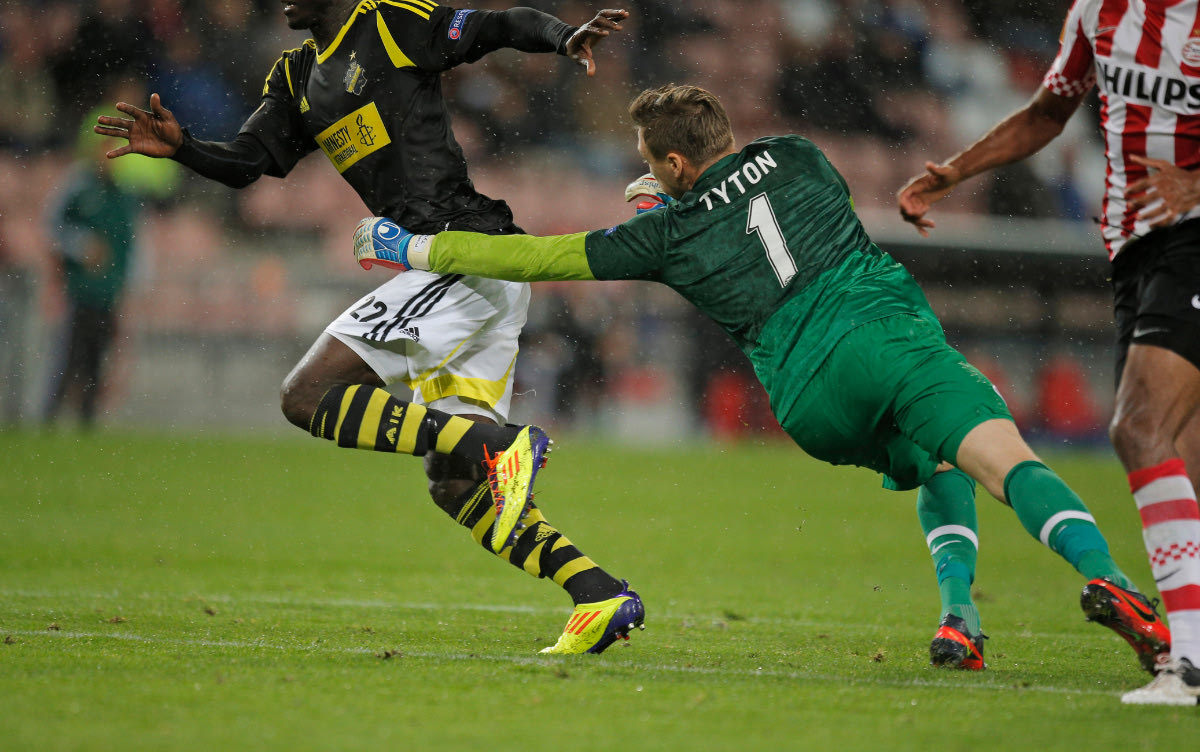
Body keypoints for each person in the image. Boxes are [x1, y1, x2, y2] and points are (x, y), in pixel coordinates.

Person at [354, 83, 1170, 679]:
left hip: (807, 398)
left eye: (652, 163)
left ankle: (960, 618)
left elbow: (534, 257)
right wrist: (683, 197)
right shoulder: (799, 154)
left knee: (935, 462)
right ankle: (1111, 578)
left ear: (672, 162)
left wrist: (411, 247)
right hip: (884, 333)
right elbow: (771, 216)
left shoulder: (663, 238)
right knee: (1003, 460)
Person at [92, 0, 643, 655]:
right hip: (462, 274)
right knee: (454, 484)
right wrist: (184, 149)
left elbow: (497, 26)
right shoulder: (296, 76)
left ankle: (502, 445)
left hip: (462, 251)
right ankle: (599, 594)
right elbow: (248, 161)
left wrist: (563, 36)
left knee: (306, 396)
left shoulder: (389, 26)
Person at [897, 0, 1200, 705]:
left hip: (1194, 236)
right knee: (1184, 451)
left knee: (1139, 428)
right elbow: (1046, 112)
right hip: (1134, 248)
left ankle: (1190, 662)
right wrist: (955, 171)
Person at [42, 112, 141, 427]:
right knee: (68, 357)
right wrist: (80, 244)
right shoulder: (76, 186)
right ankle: (48, 417)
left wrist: (129, 284)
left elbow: (133, 244)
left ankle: (87, 420)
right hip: (77, 289)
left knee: (97, 359)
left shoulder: (124, 194)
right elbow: (52, 226)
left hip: (108, 291)